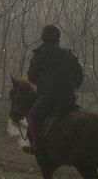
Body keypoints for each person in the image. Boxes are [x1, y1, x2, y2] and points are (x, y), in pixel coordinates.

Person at [24, 25, 84, 155]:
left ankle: (36, 145)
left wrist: (43, 82)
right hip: (69, 98)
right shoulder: (68, 54)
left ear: (43, 37)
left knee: (33, 116)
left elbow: (32, 78)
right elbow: (79, 77)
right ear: (58, 37)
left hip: (49, 98)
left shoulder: (40, 54)